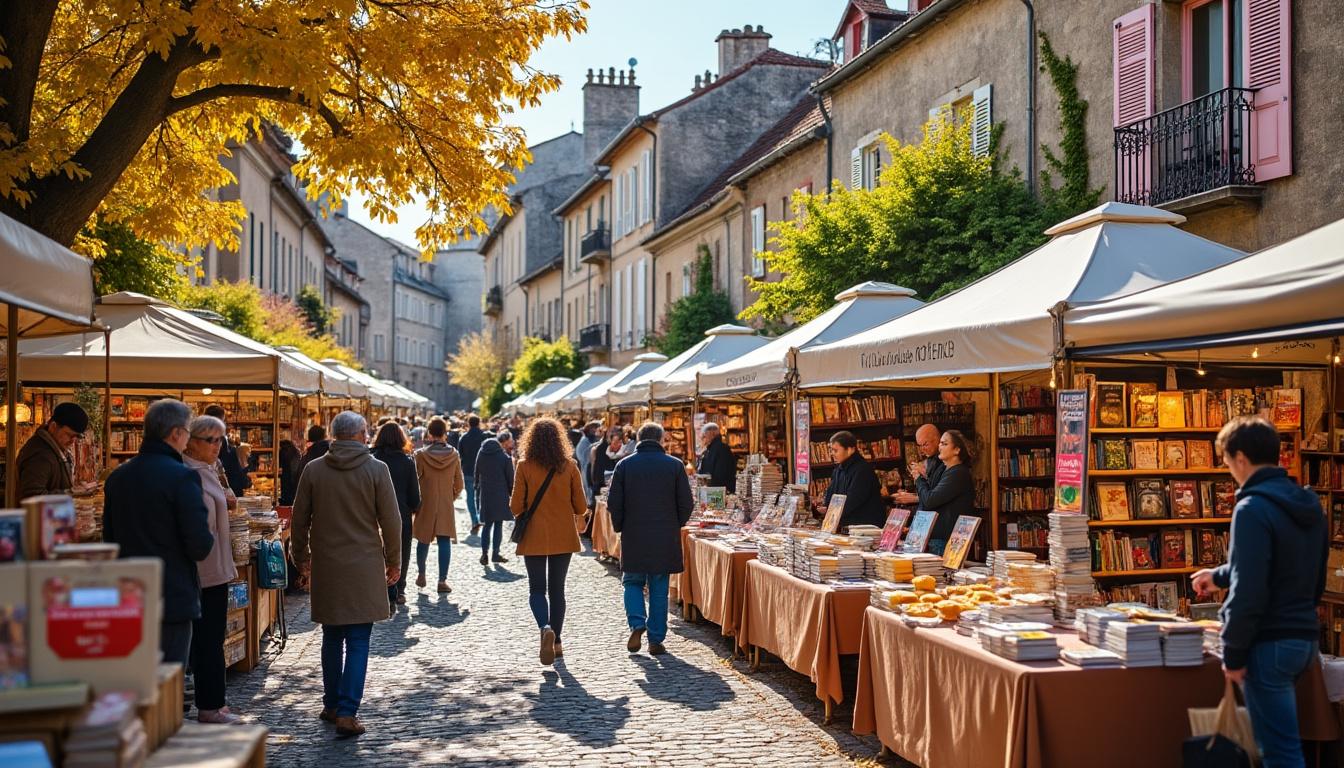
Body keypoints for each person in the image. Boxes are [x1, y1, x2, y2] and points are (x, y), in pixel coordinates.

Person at [1192, 416, 1326, 768]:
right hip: (1303, 639)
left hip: (1269, 642)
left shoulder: (1251, 509)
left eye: (1226, 462)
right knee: (1284, 746)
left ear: (1240, 458)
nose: (1229, 472)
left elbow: (1249, 591)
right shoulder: (1307, 505)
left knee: (1279, 754)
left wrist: (1233, 655)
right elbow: (1304, 571)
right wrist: (1219, 575)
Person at [291, 411, 401, 738]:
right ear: (360, 435)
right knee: (357, 639)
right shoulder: (376, 470)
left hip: (327, 565)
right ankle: (348, 710)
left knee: (332, 635)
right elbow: (392, 521)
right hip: (364, 565)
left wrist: (302, 559)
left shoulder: (314, 469)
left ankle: (331, 702)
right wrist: (394, 562)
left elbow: (299, 520)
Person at [103, 399, 214, 671]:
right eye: (188, 432)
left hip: (129, 591)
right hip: (172, 594)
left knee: (135, 675)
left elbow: (109, 539)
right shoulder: (182, 478)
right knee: (169, 679)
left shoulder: (118, 477)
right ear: (176, 433)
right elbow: (199, 545)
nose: (188, 439)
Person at [608, 422, 693, 656]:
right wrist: (675, 524)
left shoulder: (624, 465)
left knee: (632, 582)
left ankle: (637, 623)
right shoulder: (675, 466)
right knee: (659, 587)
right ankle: (656, 639)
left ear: (638, 439)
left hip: (634, 533)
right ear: (661, 439)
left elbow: (614, 502)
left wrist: (620, 527)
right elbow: (686, 503)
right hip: (664, 535)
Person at [510, 418, 587, 666]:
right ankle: (557, 642)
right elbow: (582, 506)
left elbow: (515, 506)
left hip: (533, 534)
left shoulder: (524, 466)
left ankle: (544, 627)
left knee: (536, 589)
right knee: (557, 591)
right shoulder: (570, 466)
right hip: (563, 534)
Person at [181, 415, 241, 725]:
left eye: (221, 440)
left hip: (215, 568)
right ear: (190, 441)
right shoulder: (188, 472)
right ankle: (210, 706)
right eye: (210, 440)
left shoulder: (209, 470)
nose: (217, 446)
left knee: (209, 639)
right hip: (202, 570)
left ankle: (213, 702)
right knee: (204, 641)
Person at [371, 422, 421, 608]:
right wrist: (414, 507)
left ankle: (380, 589)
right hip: (401, 514)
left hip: (373, 515)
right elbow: (415, 496)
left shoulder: (372, 460)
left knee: (378, 552)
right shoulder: (407, 462)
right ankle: (399, 589)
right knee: (401, 552)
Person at [413, 417, 464, 593]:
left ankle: (421, 573)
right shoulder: (454, 454)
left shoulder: (420, 455)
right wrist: (450, 497)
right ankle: (442, 581)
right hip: (445, 503)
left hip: (426, 502)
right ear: (445, 433)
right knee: (444, 540)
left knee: (423, 540)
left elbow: (415, 481)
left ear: (429, 433)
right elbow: (460, 484)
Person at [917, 430, 977, 556]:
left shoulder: (958, 473)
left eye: (944, 444)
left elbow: (930, 500)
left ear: (957, 450)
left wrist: (918, 479)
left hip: (947, 541)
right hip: (940, 539)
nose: (939, 447)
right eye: (940, 443)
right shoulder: (944, 470)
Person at [16, 401, 88, 499]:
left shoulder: (55, 448)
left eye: (76, 437)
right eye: (69, 435)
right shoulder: (40, 455)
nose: (73, 441)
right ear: (53, 427)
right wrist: (70, 493)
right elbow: (32, 496)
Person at [821, 431, 886, 530]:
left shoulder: (863, 470)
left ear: (850, 449)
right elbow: (831, 494)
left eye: (835, 450)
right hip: (847, 525)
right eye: (831, 450)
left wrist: (832, 513)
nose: (832, 454)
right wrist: (826, 507)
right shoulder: (839, 469)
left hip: (864, 528)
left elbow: (853, 500)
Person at [475, 430, 515, 565]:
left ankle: (484, 553)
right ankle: (495, 553)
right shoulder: (505, 458)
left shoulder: (481, 452)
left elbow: (477, 471)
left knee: (487, 525)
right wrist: (511, 494)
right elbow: (511, 480)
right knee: (498, 525)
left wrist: (476, 487)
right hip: (500, 494)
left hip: (485, 493)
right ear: (504, 442)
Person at [203, 405, 250, 497]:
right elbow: (223, 465)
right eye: (223, 420)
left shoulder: (204, 437)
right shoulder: (219, 439)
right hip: (226, 487)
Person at [893, 423, 942, 506]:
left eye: (925, 444)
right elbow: (929, 490)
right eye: (919, 445)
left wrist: (916, 498)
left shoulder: (945, 461)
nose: (922, 450)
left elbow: (938, 496)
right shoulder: (930, 458)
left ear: (938, 440)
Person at [458, 415, 487, 536]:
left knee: (470, 497)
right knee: (481, 496)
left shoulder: (464, 438)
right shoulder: (484, 436)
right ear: (479, 423)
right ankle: (480, 517)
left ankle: (475, 520)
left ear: (468, 424)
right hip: (483, 471)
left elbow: (461, 456)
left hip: (469, 471)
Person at [696, 423, 736, 493]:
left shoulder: (721, 449)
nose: (702, 438)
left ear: (712, 434)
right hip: (714, 491)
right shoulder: (710, 449)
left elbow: (720, 476)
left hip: (719, 493)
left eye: (704, 435)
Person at [574, 421, 601, 510]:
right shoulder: (585, 441)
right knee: (589, 499)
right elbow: (585, 459)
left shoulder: (588, 440)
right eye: (596, 429)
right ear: (591, 430)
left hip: (587, 471)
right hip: (587, 471)